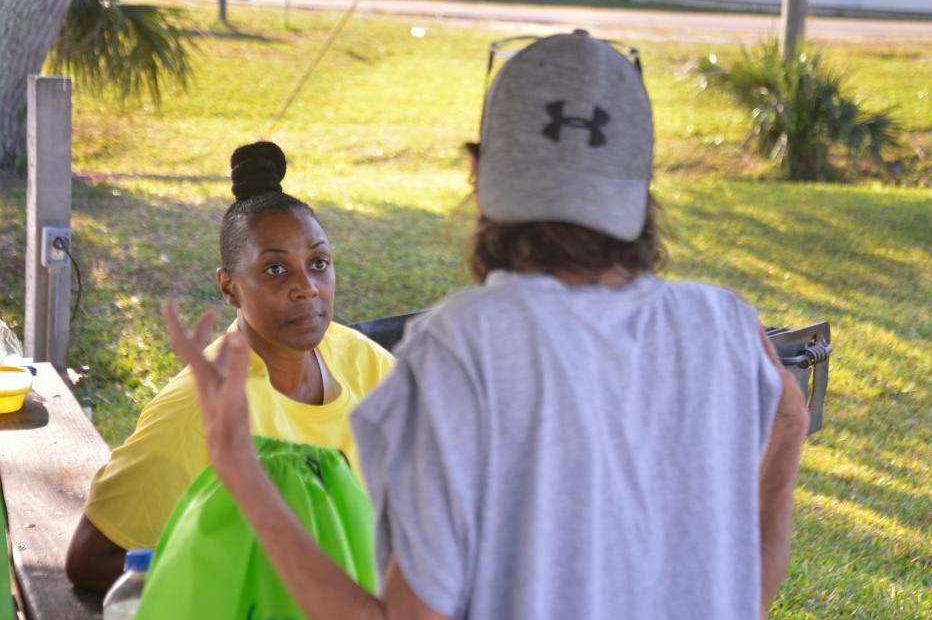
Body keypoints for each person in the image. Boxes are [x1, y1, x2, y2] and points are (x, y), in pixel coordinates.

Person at [163, 31, 809, 619]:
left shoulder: (464, 344)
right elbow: (744, 590)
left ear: (479, 174)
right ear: (640, 183)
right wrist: (789, 428)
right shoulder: (724, 325)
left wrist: (240, 469)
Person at [65, 141, 395, 592]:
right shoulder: (197, 413)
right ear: (229, 287)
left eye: (319, 263)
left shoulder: (365, 363)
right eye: (276, 270)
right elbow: (92, 559)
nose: (307, 288)